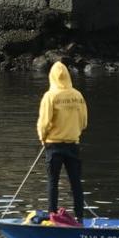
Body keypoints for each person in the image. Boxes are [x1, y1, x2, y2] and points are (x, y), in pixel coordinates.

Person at [37, 62, 88, 220]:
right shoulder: (77, 95)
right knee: (76, 183)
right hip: (73, 144)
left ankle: (52, 216)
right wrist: (74, 132)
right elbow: (84, 121)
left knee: (53, 182)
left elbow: (44, 122)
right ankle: (80, 217)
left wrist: (42, 138)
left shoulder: (50, 96)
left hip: (54, 145)